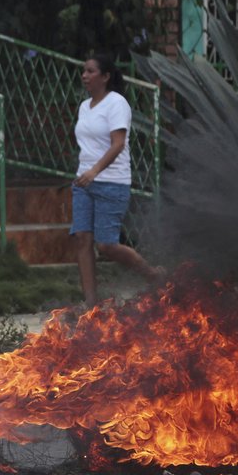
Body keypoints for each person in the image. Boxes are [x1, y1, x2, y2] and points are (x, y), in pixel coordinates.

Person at [72, 53, 163, 307]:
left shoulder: (116, 103)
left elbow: (118, 144)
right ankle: (90, 303)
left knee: (107, 245)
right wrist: (85, 173)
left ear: (106, 76)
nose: (85, 76)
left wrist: (95, 172)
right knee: (82, 239)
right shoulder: (84, 106)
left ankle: (153, 274)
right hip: (83, 183)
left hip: (111, 182)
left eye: (90, 71)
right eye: (84, 71)